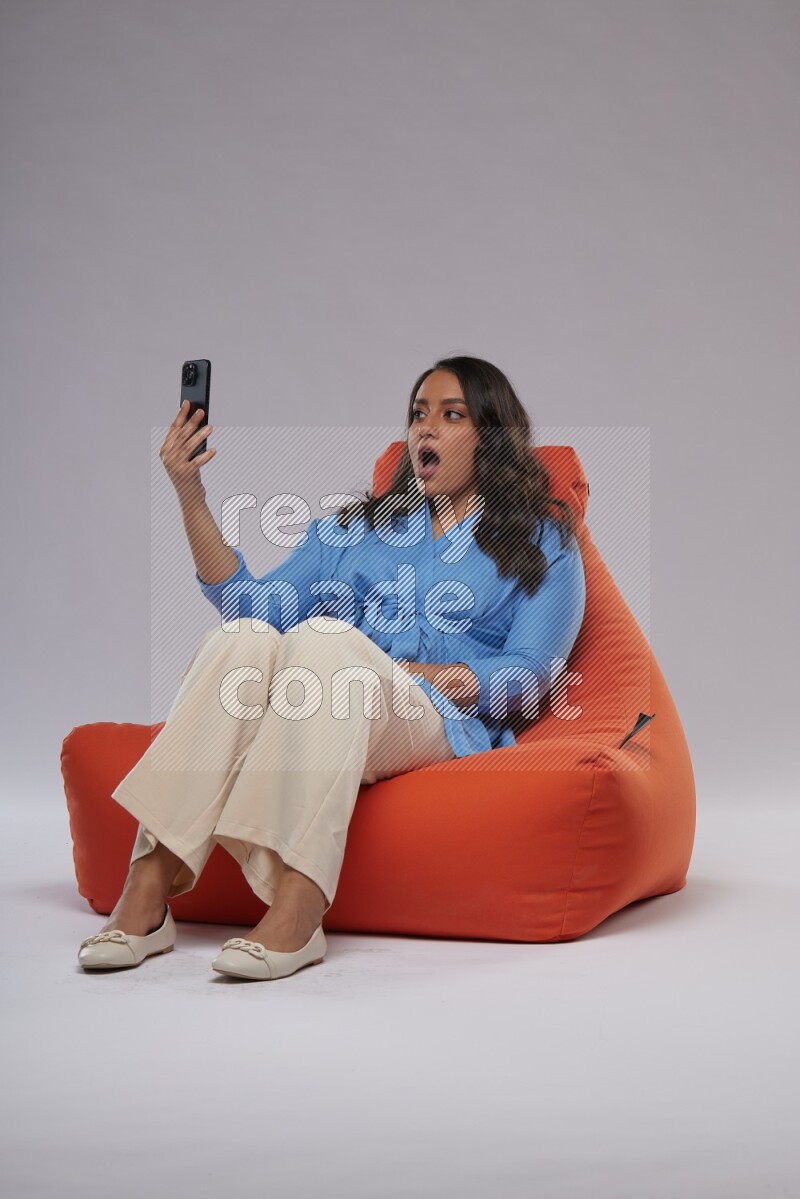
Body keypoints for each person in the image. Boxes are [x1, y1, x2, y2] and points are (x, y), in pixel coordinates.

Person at [77, 355, 586, 981]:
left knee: (326, 642)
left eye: (452, 416)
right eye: (418, 414)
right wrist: (190, 493)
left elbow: (531, 678)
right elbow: (250, 604)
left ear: (494, 437)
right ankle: (148, 888)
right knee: (242, 638)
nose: (426, 429)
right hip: (326, 694)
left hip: (436, 718)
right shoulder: (355, 530)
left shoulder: (544, 543)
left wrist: (394, 671)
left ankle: (300, 902)